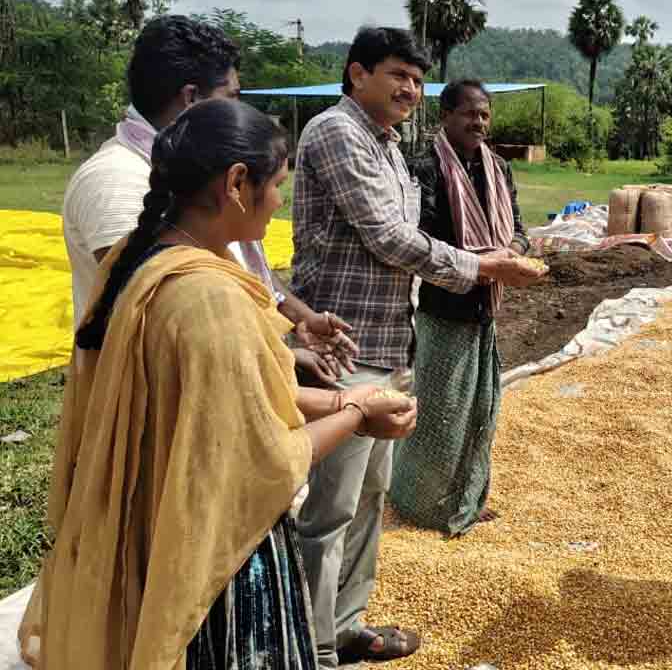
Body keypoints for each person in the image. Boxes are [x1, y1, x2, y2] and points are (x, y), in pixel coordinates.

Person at [18, 98, 417, 670]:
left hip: (156, 529)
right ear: (236, 184)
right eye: (277, 185)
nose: (280, 203)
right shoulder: (210, 299)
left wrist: (339, 397)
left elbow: (225, 396)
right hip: (220, 562)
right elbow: (261, 458)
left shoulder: (147, 260)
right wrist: (357, 417)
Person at [290, 27, 540, 667]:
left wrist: (494, 261)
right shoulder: (336, 134)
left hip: (390, 341)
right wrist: (486, 269)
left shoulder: (392, 148)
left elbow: (404, 234)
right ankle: (311, 646)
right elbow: (388, 237)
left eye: (415, 78)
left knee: (371, 495)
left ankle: (345, 626)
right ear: (356, 75)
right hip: (343, 348)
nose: (409, 89)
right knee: (330, 508)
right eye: (396, 74)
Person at [60, 14, 356, 385]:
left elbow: (240, 269)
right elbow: (164, 314)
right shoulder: (118, 181)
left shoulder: (198, 167)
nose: (239, 112)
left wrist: (297, 316)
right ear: (191, 99)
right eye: (231, 98)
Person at [395, 79, 537, 536]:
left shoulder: (497, 169)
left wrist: (511, 252)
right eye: (469, 114)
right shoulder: (427, 169)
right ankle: (420, 505)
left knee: (480, 409)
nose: (478, 122)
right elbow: (423, 239)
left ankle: (466, 499)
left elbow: (517, 226)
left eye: (484, 115)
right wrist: (484, 262)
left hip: (485, 311)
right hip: (443, 309)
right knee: (439, 413)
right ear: (446, 117)